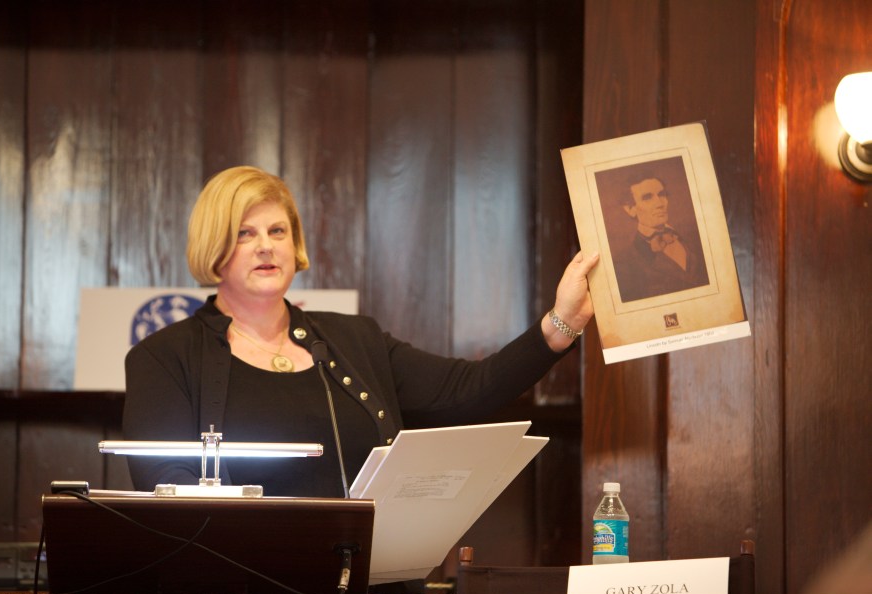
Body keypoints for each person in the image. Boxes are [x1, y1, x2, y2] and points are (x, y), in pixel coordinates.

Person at [122, 165, 598, 499]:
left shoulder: (356, 341)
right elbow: (168, 488)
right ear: (215, 244)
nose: (265, 246)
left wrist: (563, 324)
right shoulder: (165, 358)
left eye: (278, 231)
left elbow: (467, 390)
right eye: (245, 233)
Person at [611, 172, 709, 302]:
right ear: (630, 209)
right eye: (647, 198)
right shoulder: (623, 262)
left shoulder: (696, 238)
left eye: (662, 195)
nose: (660, 203)